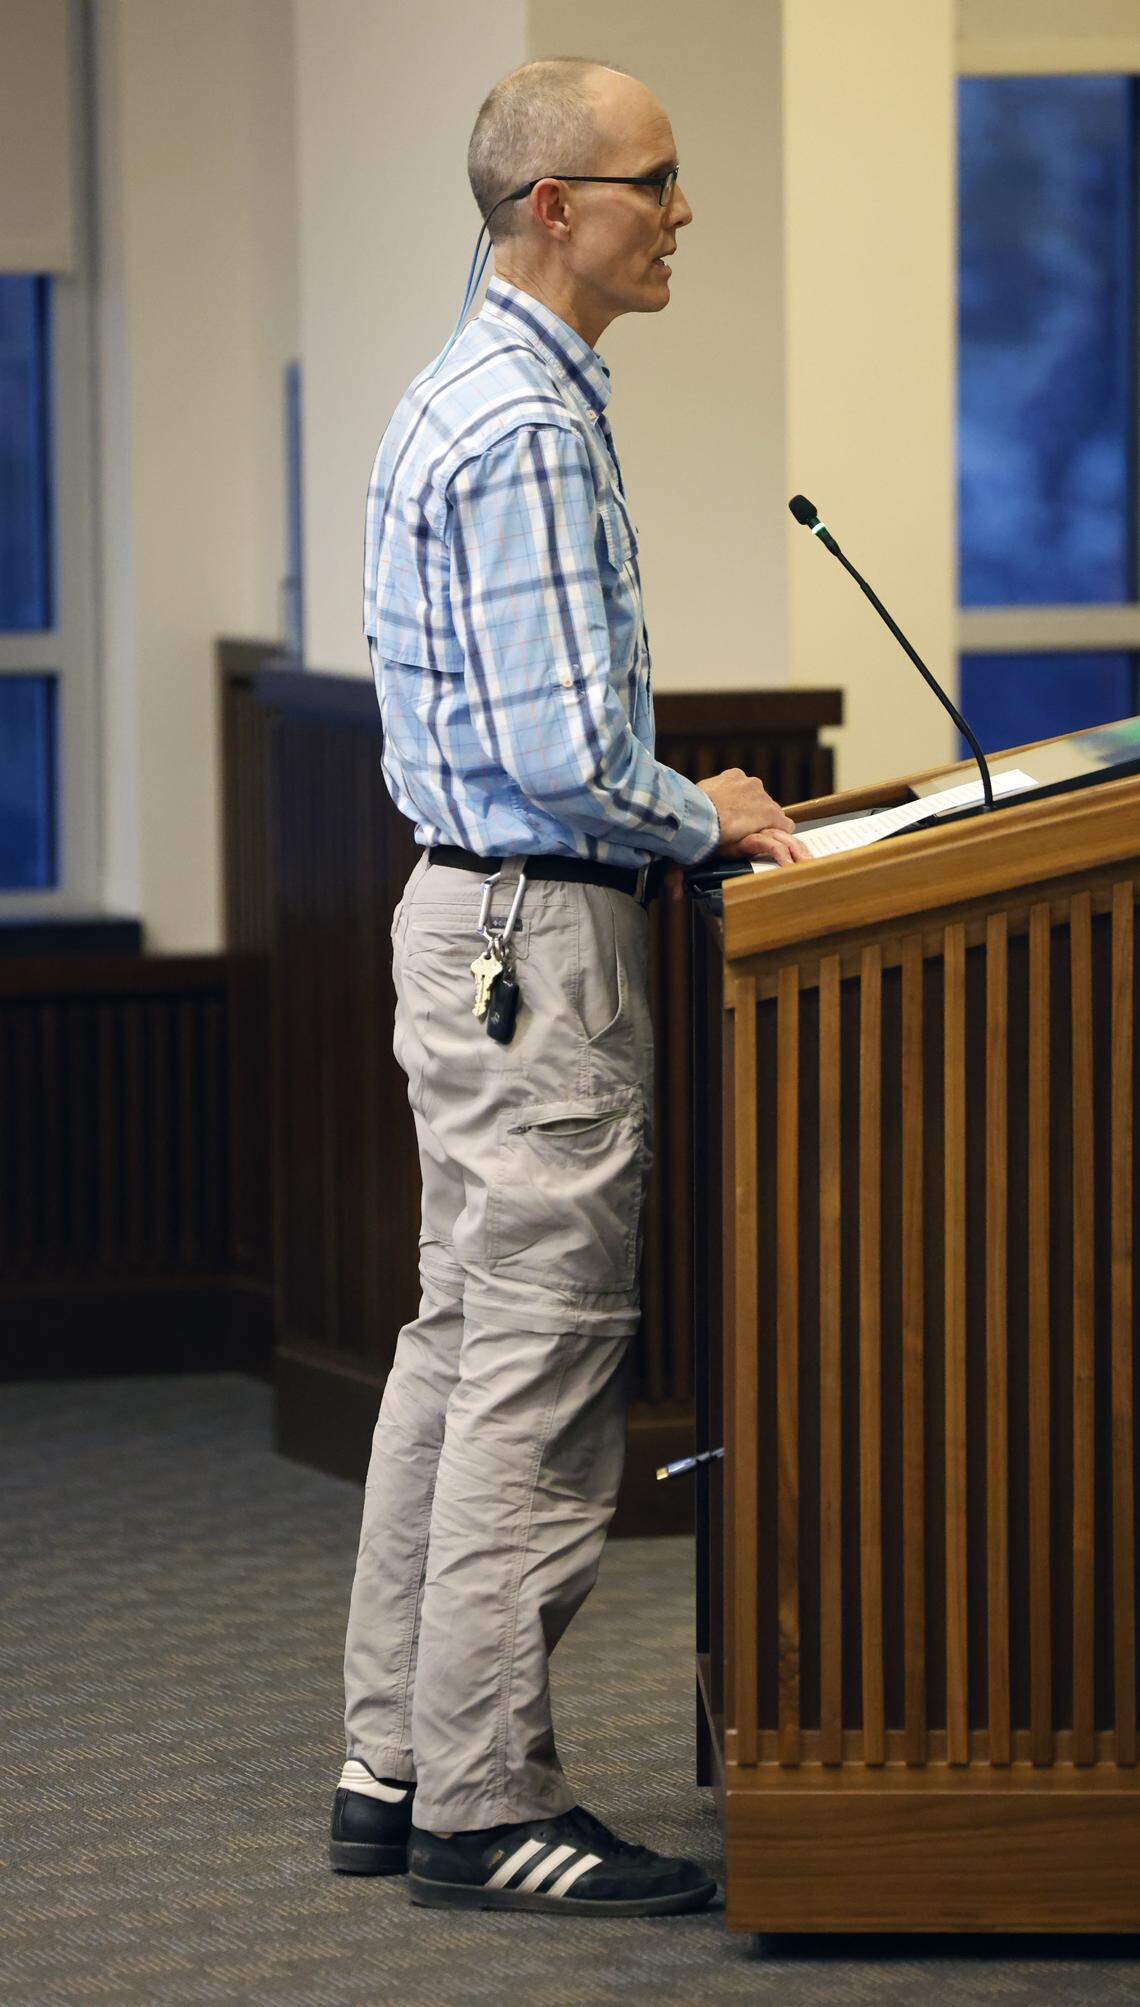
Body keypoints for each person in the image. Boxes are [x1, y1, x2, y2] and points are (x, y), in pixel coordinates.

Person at [331, 55, 807, 1919]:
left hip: (468, 933)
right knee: (533, 1371)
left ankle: (396, 1761)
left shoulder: (466, 385)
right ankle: (484, 1802)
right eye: (656, 182)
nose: (680, 212)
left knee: (460, 1349)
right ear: (556, 210)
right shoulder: (523, 420)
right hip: (540, 936)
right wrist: (703, 807)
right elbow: (561, 756)